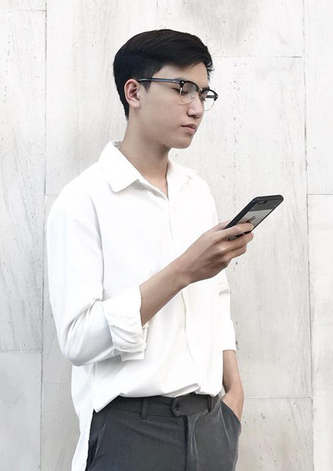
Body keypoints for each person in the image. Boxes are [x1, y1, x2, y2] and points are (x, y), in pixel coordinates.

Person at [46, 29, 254, 471]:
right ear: (134, 92)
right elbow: (78, 339)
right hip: (131, 433)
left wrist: (234, 395)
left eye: (203, 93)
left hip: (210, 427)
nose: (196, 108)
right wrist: (182, 271)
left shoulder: (196, 192)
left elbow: (217, 299)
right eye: (182, 88)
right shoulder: (83, 201)